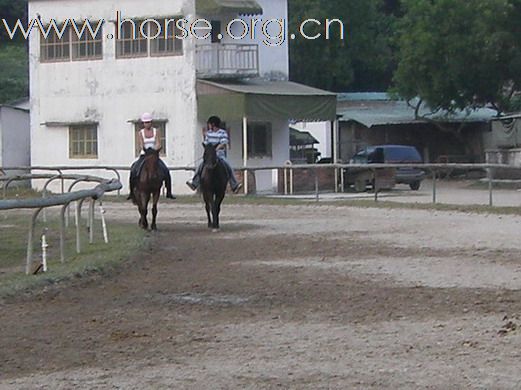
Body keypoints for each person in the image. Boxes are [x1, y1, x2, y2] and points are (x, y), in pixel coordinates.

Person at [186, 116, 242, 193]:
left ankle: (234, 185)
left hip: (220, 155)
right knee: (200, 166)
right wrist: (209, 150)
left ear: (213, 124)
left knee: (228, 166)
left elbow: (223, 143)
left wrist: (215, 149)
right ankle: (194, 183)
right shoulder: (209, 134)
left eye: (209, 124)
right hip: (210, 156)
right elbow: (206, 143)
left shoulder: (222, 132)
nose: (208, 126)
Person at [127, 113, 176, 201]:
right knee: (134, 169)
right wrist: (147, 150)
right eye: (145, 122)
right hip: (144, 154)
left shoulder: (156, 131)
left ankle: (169, 192)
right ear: (143, 123)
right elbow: (141, 145)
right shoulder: (140, 133)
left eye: (148, 122)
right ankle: (131, 192)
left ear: (151, 122)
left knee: (165, 170)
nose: (147, 124)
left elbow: (158, 143)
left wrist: (155, 150)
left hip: (154, 154)